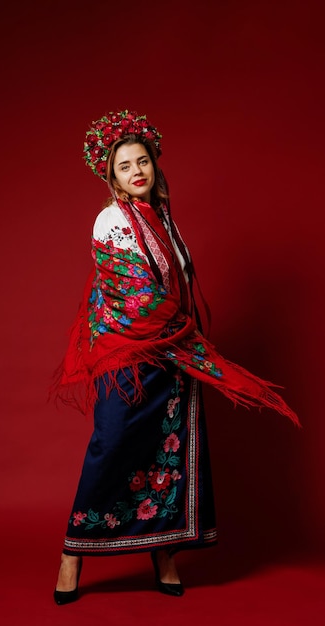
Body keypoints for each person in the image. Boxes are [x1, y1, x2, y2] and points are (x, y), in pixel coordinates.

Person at [51, 110, 299, 605]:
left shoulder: (163, 217)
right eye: (125, 166)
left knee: (169, 452)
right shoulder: (112, 220)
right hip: (128, 356)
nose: (137, 171)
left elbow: (176, 286)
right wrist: (182, 331)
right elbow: (131, 298)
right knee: (114, 443)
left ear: (155, 165)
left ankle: (163, 552)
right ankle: (72, 554)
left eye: (142, 161)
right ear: (111, 175)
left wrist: (182, 333)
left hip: (172, 357)